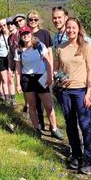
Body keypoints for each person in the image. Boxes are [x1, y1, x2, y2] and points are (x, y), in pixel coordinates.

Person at [55, 17, 91, 175]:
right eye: (68, 27)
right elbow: (56, 69)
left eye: (73, 27)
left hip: (81, 91)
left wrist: (89, 92)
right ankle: (76, 156)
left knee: (85, 125)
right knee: (70, 124)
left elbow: (90, 72)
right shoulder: (60, 48)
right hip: (65, 91)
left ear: (79, 28)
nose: (70, 30)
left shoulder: (86, 47)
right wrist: (59, 78)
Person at [27, 11, 63, 140]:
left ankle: (53, 127)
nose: (33, 21)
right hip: (29, 74)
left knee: (48, 102)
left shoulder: (44, 34)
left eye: (35, 19)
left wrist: (51, 72)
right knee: (34, 103)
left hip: (43, 72)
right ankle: (39, 126)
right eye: (30, 19)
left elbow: (49, 53)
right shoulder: (25, 34)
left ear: (39, 20)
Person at [14, 26, 53, 139]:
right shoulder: (19, 50)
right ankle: (37, 129)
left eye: (27, 33)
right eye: (23, 34)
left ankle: (54, 128)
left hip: (41, 77)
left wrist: (50, 75)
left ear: (31, 33)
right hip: (27, 78)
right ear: (20, 36)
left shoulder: (39, 45)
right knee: (32, 106)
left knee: (48, 105)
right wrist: (18, 83)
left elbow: (47, 60)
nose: (25, 35)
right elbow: (18, 68)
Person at [6, 17, 19, 106]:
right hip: (13, 61)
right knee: (10, 79)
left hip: (21, 61)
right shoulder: (9, 38)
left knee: (22, 82)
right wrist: (10, 66)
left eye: (11, 23)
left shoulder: (20, 34)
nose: (10, 25)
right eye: (8, 24)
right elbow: (10, 52)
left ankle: (27, 105)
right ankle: (13, 100)